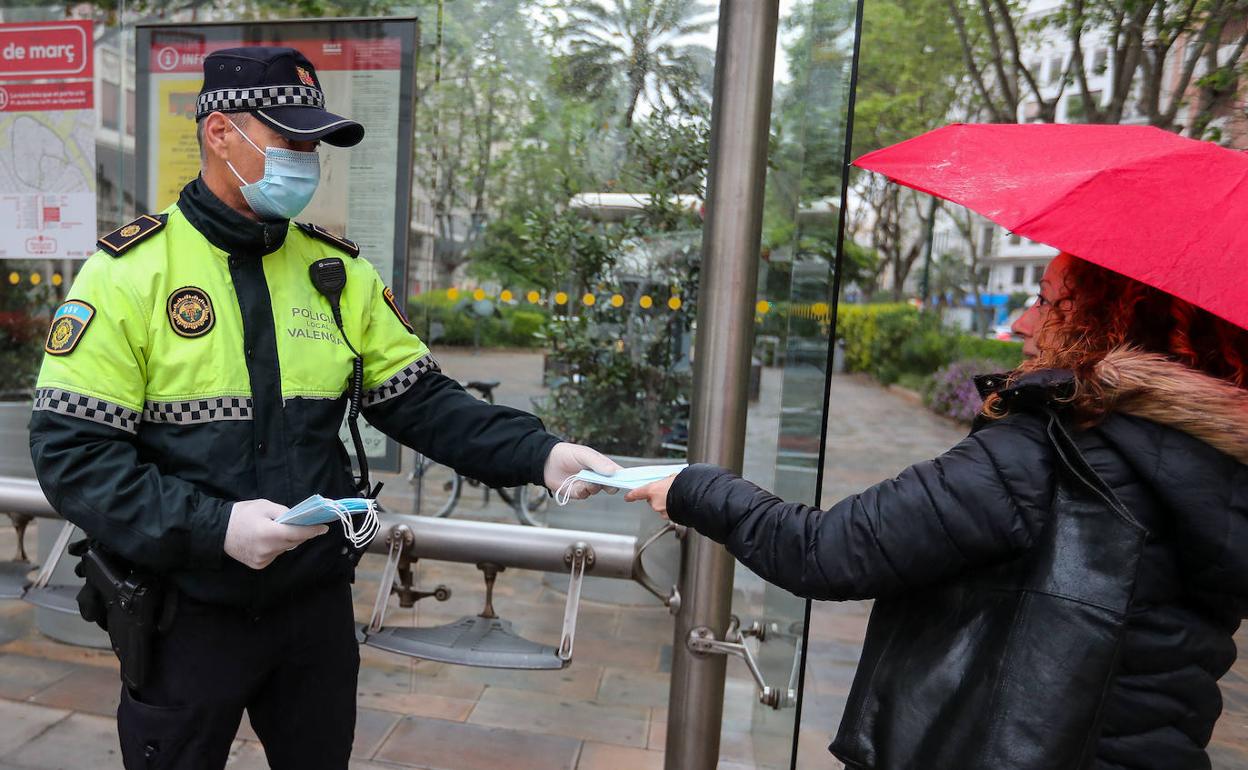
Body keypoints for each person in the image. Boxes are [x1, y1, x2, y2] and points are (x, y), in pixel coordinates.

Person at [29, 46, 616, 770]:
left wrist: (543, 454)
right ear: (220, 134)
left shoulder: (335, 271)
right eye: (289, 140)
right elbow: (73, 459)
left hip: (310, 613)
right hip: (184, 615)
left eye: (315, 144)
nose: (307, 159)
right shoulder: (127, 275)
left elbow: (424, 402)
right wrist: (216, 529)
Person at [627, 251, 1248, 769]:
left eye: (1048, 299)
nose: (1024, 322)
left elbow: (825, 551)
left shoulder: (1049, 455)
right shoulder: (1217, 468)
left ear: (1110, 320)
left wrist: (693, 486)